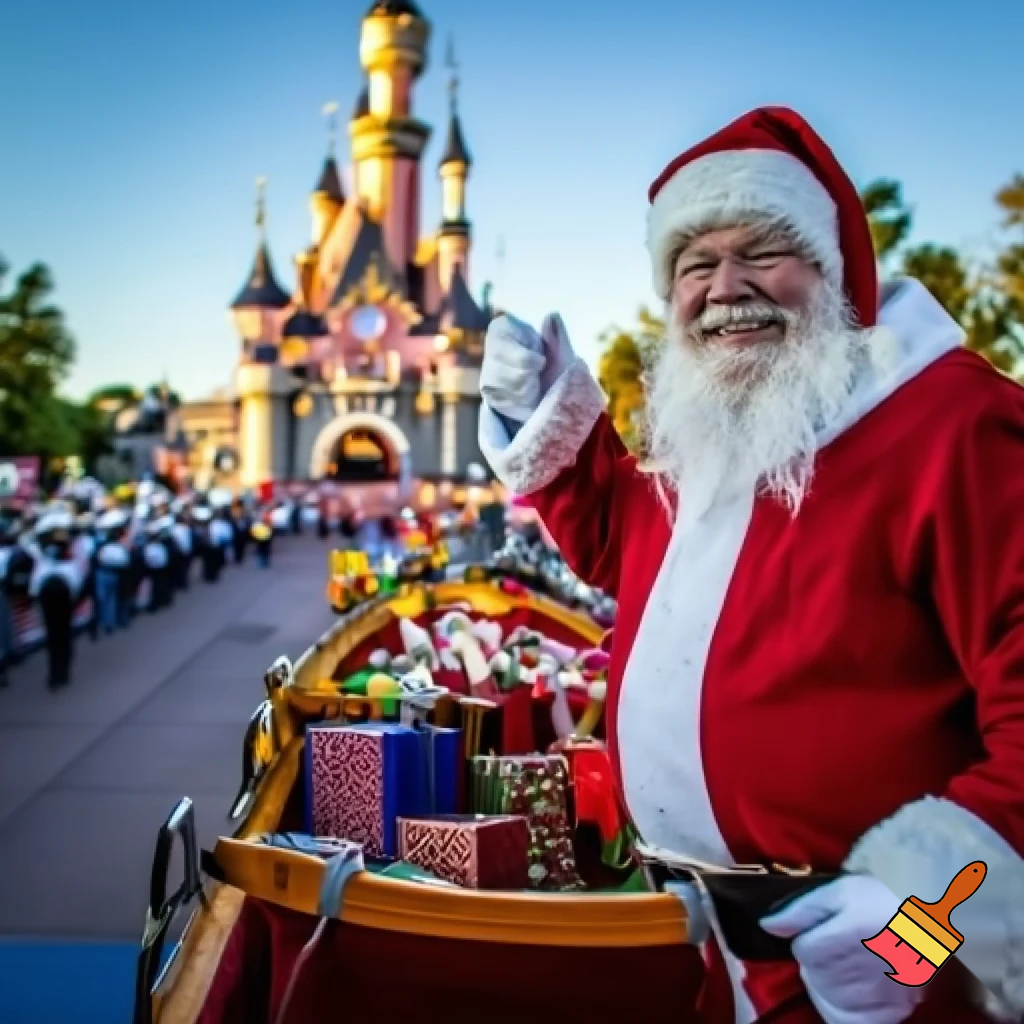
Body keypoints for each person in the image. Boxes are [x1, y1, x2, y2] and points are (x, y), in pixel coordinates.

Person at [478, 106, 1024, 1023]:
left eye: (764, 250)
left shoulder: (954, 426)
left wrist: (914, 930)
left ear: (836, 267)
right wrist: (551, 425)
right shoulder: (730, 433)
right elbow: (634, 552)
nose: (725, 288)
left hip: (893, 976)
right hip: (723, 955)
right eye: (694, 265)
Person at [26, 511, 83, 690]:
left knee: (63, 634)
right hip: (49, 594)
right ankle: (55, 673)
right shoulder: (42, 555)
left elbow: (75, 578)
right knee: (53, 635)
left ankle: (63, 671)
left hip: (63, 592)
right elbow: (36, 580)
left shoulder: (69, 556)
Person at [94, 509, 131, 634]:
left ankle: (108, 623)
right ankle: (108, 622)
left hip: (108, 574)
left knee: (107, 600)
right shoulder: (109, 546)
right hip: (109, 574)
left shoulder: (110, 547)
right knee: (108, 600)